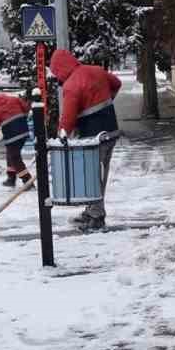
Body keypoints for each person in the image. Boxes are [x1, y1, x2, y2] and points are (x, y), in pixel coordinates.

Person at [50, 49, 122, 230]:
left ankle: (96, 216)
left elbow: (68, 118)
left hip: (93, 137)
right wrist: (108, 100)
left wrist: (62, 136)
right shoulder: (96, 70)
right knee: (99, 174)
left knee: (92, 176)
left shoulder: (71, 85)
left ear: (60, 69)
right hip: (111, 130)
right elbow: (117, 83)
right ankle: (93, 211)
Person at [0, 88, 33, 187]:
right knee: (11, 153)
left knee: (15, 157)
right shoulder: (12, 98)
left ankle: (27, 180)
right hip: (23, 128)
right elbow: (26, 108)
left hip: (11, 132)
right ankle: (11, 178)